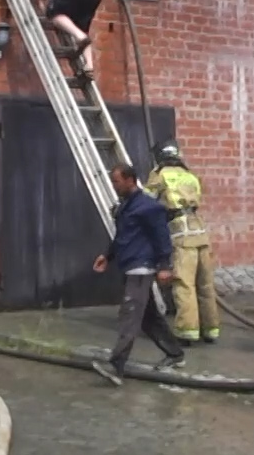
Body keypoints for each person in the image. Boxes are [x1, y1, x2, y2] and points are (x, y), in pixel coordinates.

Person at [90, 164, 185, 386]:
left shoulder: (149, 208)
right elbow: (123, 236)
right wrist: (108, 256)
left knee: (129, 315)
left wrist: (164, 266)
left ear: (130, 180)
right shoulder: (126, 207)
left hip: (141, 268)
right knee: (149, 318)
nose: (114, 186)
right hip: (129, 265)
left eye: (117, 181)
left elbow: (162, 237)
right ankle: (175, 354)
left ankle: (116, 366)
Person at [145, 142, 219, 345]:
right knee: (205, 284)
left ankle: (187, 332)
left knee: (184, 284)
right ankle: (210, 330)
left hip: (181, 233)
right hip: (201, 231)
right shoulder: (190, 175)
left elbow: (147, 202)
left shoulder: (160, 174)